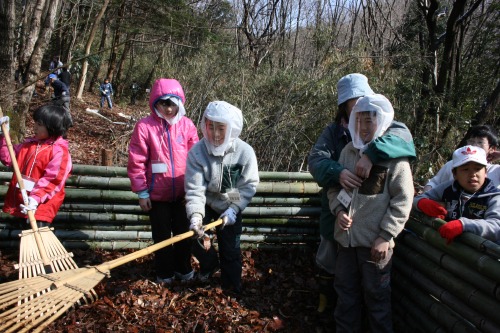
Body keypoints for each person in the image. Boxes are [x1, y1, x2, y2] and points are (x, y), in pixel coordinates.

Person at [307, 73, 416, 313]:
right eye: (353, 105)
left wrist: (371, 154)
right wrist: (338, 172)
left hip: (373, 227)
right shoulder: (334, 133)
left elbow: (403, 143)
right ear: (344, 108)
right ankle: (329, 304)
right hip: (339, 216)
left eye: (364, 102)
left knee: (373, 290)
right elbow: (315, 160)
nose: (361, 112)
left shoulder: (391, 127)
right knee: (331, 262)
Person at [327, 94, 414, 333]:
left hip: (375, 245)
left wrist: (386, 235)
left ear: (383, 121)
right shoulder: (347, 151)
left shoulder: (395, 159)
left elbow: (404, 198)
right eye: (359, 121)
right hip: (345, 242)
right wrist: (338, 211)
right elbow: (334, 188)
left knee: (377, 300)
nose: (364, 127)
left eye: (370, 121)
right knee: (345, 295)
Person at [127, 78, 199, 284]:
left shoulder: (187, 126)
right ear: (155, 103)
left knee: (184, 234)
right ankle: (164, 273)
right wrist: (142, 192)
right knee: (161, 236)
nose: (168, 109)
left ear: (180, 103)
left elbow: (196, 159)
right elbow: (137, 160)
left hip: (184, 194)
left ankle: (184, 269)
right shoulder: (145, 127)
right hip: (156, 194)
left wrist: (194, 190)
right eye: (163, 103)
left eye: (172, 103)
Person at [185, 101, 259, 295]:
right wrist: (196, 216)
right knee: (196, 238)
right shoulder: (197, 152)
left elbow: (247, 185)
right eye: (211, 127)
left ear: (231, 129)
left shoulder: (245, 152)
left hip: (231, 196)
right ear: (204, 126)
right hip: (206, 200)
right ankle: (210, 264)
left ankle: (231, 286)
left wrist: (234, 209)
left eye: (221, 128)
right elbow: (195, 189)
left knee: (231, 248)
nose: (215, 134)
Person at [0, 105, 73, 229]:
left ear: (52, 127)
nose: (35, 127)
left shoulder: (59, 151)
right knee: (23, 236)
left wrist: (36, 198)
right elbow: (8, 158)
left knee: (38, 234)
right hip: (22, 200)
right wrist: (3, 136)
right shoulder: (28, 145)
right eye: (35, 123)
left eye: (39, 124)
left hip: (42, 204)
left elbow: (53, 179)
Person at [414, 145, 500, 244]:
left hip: (479, 253)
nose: (472, 174)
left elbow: (496, 226)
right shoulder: (448, 188)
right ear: (455, 174)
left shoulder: (494, 196)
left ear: (485, 172)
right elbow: (417, 199)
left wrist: (463, 225)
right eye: (465, 169)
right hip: (445, 247)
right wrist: (423, 203)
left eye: (477, 169)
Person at [424, 125, 499, 192]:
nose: (474, 146)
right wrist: (427, 197)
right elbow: (433, 183)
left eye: (480, 142)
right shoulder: (453, 164)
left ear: (492, 148)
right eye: (471, 141)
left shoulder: (496, 170)